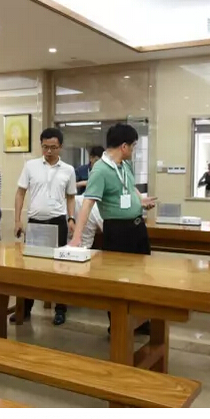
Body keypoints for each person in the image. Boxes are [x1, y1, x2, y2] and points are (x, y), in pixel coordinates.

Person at [69, 123, 157, 334]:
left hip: (137, 228)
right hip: (117, 232)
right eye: (133, 146)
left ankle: (141, 321)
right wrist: (76, 238)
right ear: (124, 146)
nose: (134, 150)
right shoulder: (100, 170)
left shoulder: (125, 165)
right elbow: (88, 204)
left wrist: (140, 200)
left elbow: (130, 187)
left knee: (142, 278)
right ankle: (118, 325)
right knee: (118, 280)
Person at [13, 127, 77, 326]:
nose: (49, 151)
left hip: (58, 222)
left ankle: (60, 309)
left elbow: (71, 196)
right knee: (30, 268)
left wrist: (71, 218)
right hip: (35, 222)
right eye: (45, 147)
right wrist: (17, 220)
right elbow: (20, 193)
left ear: (61, 147)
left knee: (60, 268)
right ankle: (25, 309)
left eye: (53, 147)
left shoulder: (68, 170)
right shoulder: (30, 166)